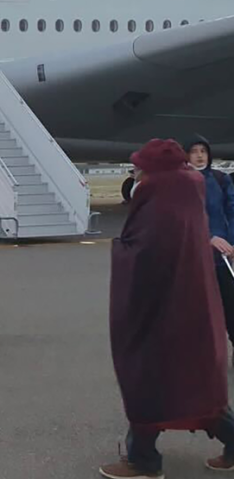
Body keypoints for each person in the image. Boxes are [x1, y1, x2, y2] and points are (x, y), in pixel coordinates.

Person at [101, 139, 234, 478]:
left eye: (140, 168)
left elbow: (145, 257)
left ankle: (143, 460)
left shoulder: (161, 203)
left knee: (147, 380)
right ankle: (146, 454)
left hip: (161, 314)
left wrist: (121, 249)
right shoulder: (184, 195)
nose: (136, 174)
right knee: (195, 384)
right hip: (191, 311)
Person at [185, 135, 234, 360]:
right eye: (194, 151)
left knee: (230, 306)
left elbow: (231, 211)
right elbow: (182, 220)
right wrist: (208, 238)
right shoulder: (180, 182)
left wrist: (231, 243)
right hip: (194, 256)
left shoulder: (220, 179)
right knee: (198, 310)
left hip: (223, 256)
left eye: (203, 151)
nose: (199, 155)